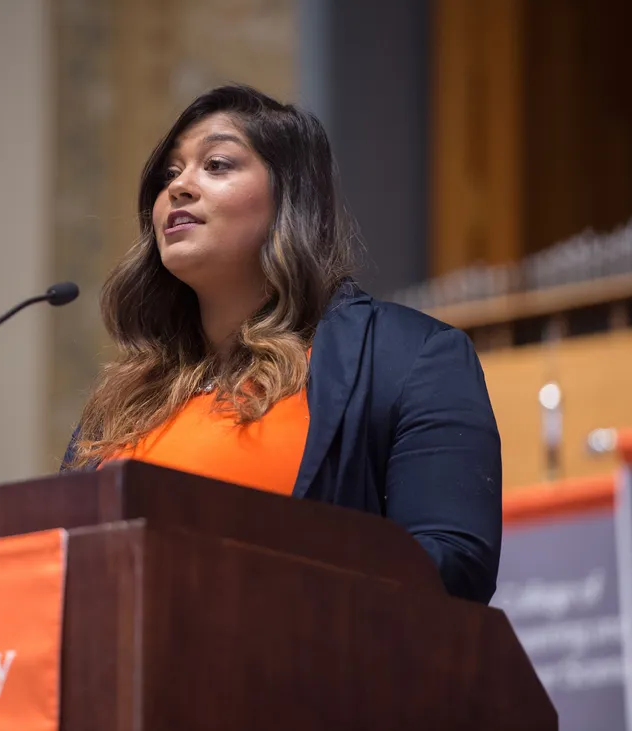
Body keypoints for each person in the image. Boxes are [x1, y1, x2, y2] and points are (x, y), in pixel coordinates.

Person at [60, 84, 502, 605]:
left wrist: (257, 581)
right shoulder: (119, 404)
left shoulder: (409, 358)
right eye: (169, 174)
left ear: (290, 196)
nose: (179, 187)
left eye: (217, 164)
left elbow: (452, 564)